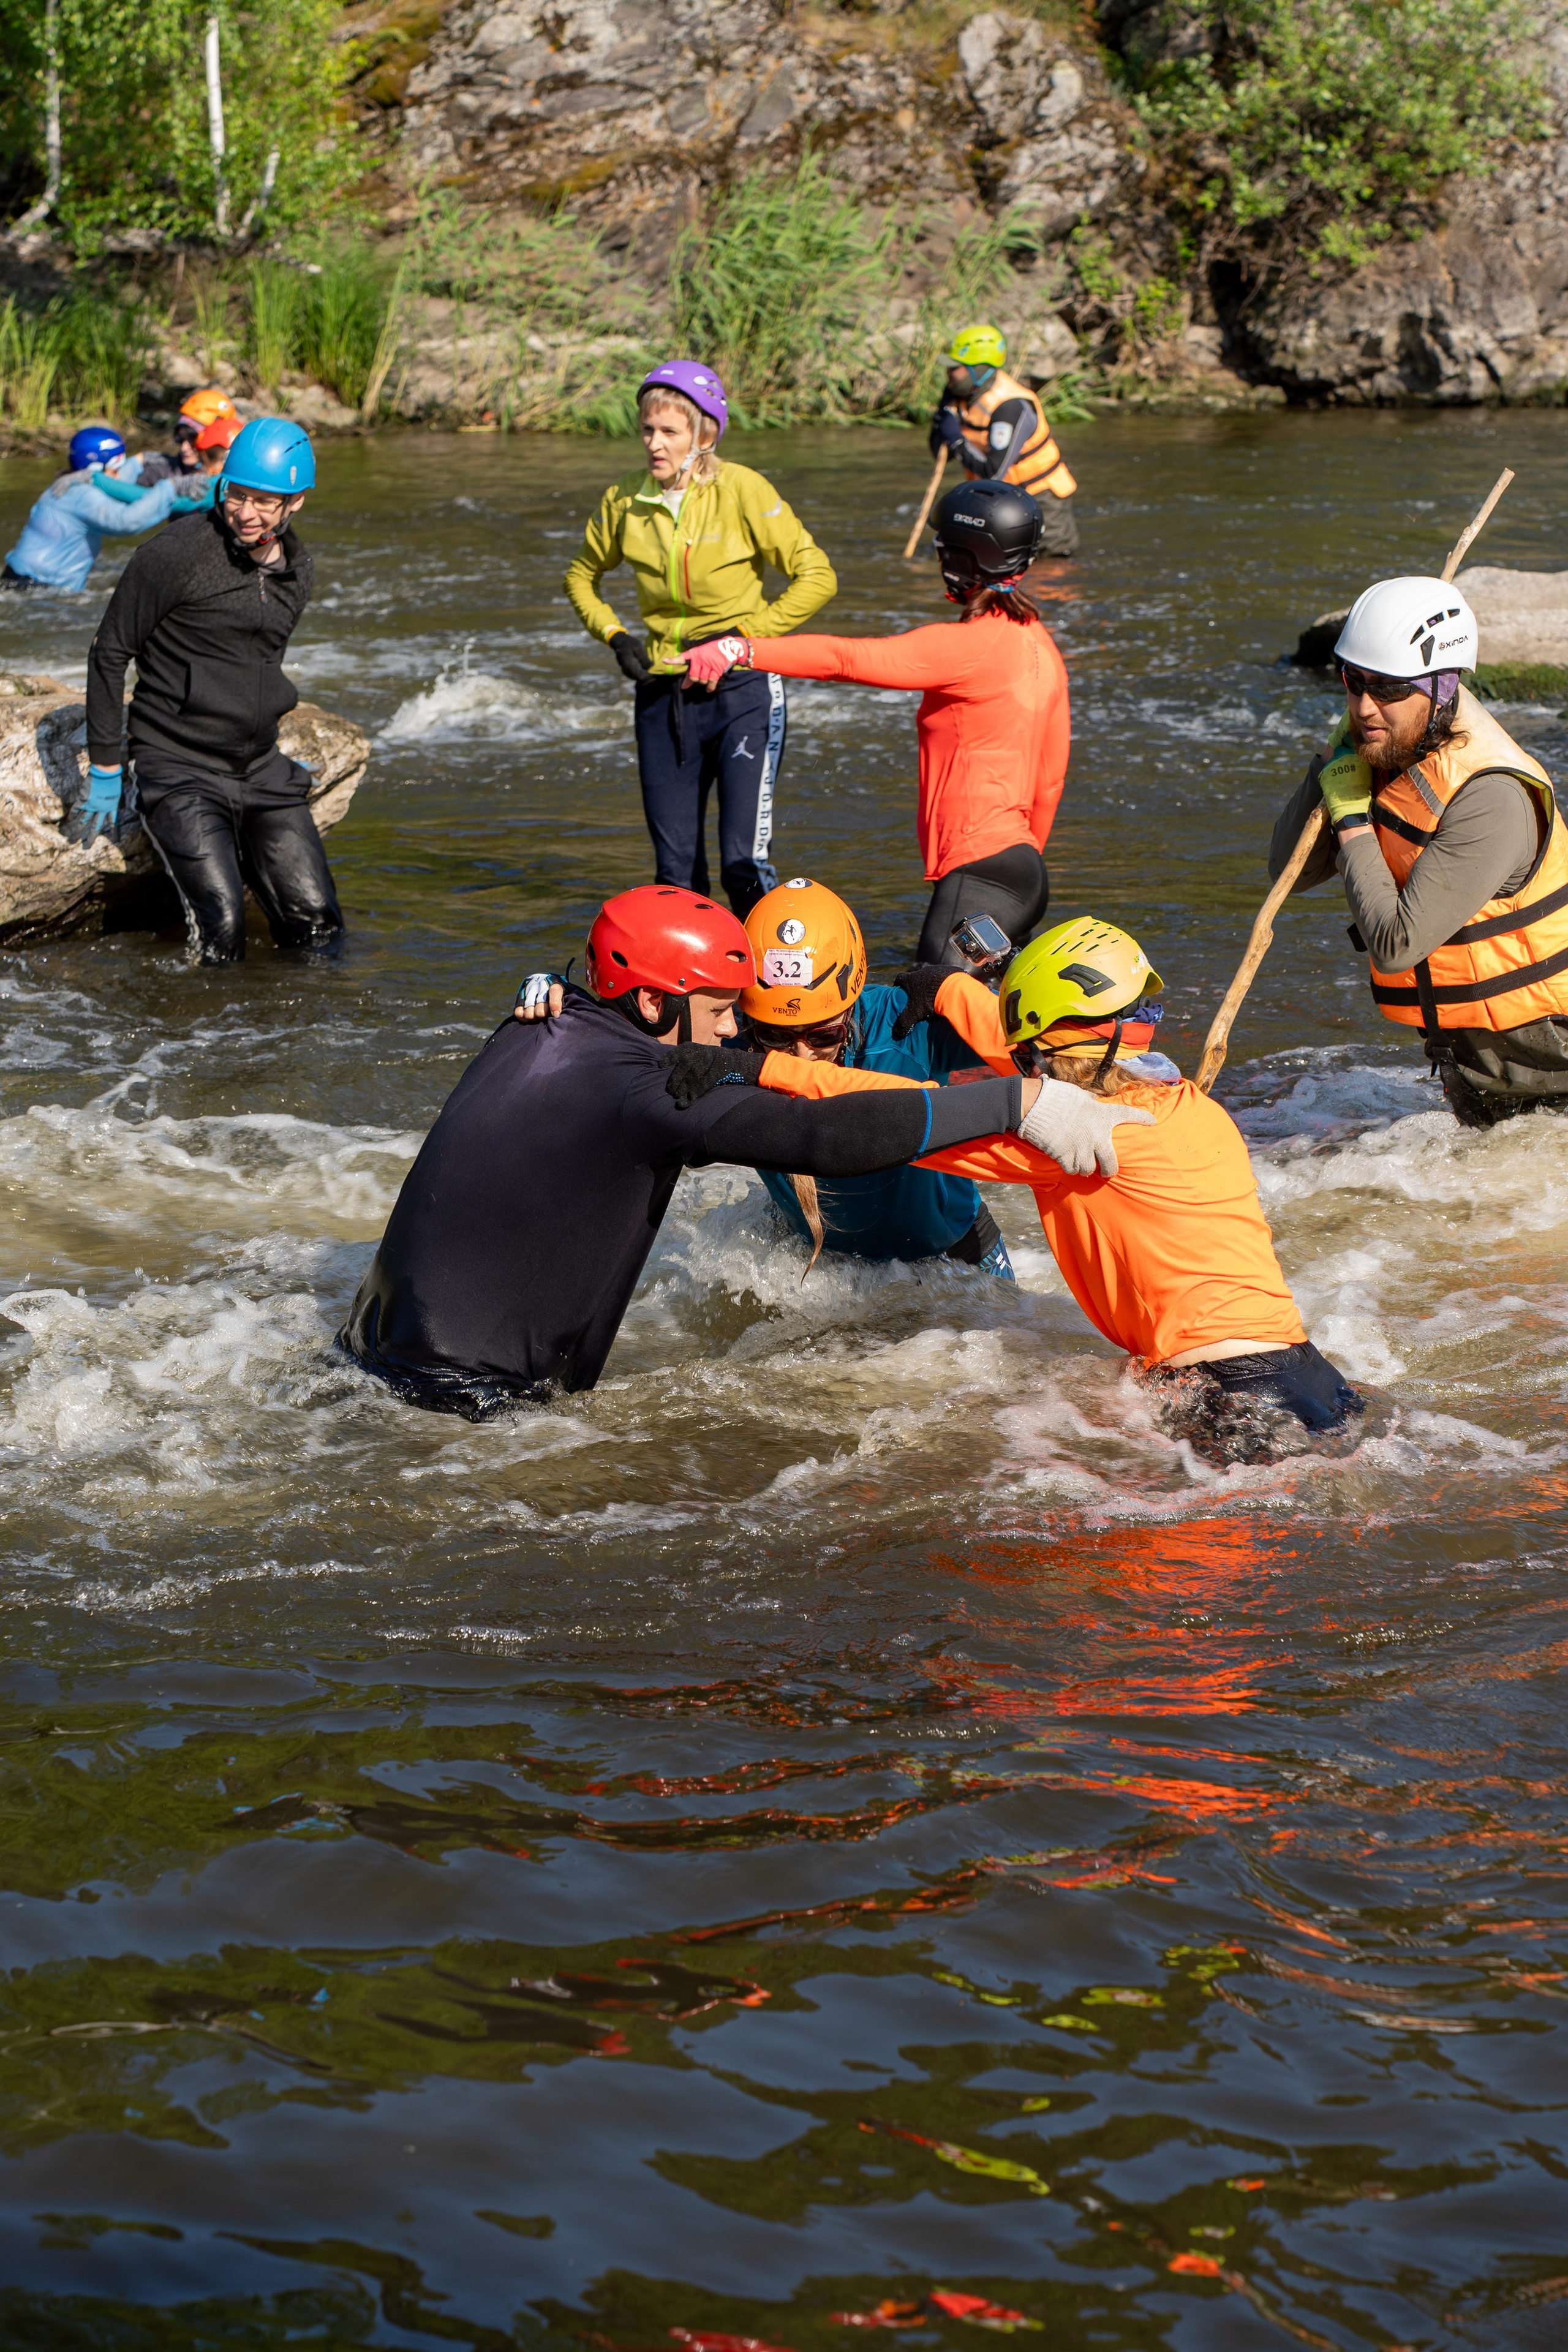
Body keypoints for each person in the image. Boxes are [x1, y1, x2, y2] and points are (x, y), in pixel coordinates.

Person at [339, 888, 1150, 1420]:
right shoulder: (682, 1072)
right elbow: (811, 1129)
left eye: (824, 1033)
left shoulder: (923, 1013)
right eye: (758, 1028)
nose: (796, 1053)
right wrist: (555, 984)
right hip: (809, 1281)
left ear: (857, 993)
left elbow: (1071, 1056)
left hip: (949, 1271)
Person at [687, 917, 1361, 1464]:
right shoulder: (1190, 1108)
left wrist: (759, 1066)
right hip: (1307, 1374)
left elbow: (893, 1109)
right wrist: (951, 990)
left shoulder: (1080, 1146)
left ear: (1045, 1057)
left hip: (1226, 1394)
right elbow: (1033, 1053)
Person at [682, 481, 1068, 965]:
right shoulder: (1041, 646)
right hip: (1023, 871)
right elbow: (1050, 780)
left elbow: (846, 658)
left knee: (928, 1014)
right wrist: (1019, 862)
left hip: (981, 872)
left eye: (944, 549)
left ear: (963, 559)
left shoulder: (968, 647)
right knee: (994, 1030)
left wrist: (740, 648)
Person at [1269, 575, 1568, 1128]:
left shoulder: (1491, 796)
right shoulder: (1389, 742)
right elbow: (1288, 871)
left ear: (1443, 687)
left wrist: (1354, 820)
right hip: (1476, 1053)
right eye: (1352, 681)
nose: (1364, 706)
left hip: (1551, 1055)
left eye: (1386, 688)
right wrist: (1331, 764)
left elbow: (1395, 945)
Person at [563, 361, 837, 918]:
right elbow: (579, 576)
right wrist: (617, 638)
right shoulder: (623, 501)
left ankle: (773, 991)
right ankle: (693, 998)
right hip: (664, 692)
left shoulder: (743, 489)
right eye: (647, 430)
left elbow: (817, 576)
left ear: (705, 434)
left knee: (742, 863)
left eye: (670, 432)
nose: (654, 444)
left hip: (743, 688)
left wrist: (743, 638)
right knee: (675, 874)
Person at [83, 416, 344, 960]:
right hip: (178, 766)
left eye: (265, 502)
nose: (245, 513)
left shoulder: (298, 571)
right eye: (236, 494)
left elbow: (256, 662)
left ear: (295, 502)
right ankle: (206, 1040)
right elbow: (110, 652)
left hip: (261, 770)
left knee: (319, 928)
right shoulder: (173, 556)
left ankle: (298, 1042)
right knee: (224, 933)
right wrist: (107, 764)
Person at [737, 876, 1014, 1275]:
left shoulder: (906, 1026)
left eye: (822, 1036)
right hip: (826, 1271)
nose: (800, 1059)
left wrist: (955, 989)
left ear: (849, 1006)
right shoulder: (730, 1044)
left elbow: (1045, 1046)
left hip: (952, 1258)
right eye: (775, 1036)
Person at [930, 324, 1079, 559]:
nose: (948, 374)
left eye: (954, 368)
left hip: (1039, 499)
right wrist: (942, 420)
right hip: (999, 502)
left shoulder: (1010, 406)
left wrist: (957, 440)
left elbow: (993, 472)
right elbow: (940, 453)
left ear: (977, 370)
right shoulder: (962, 397)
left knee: (1050, 569)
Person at [1, 426, 199, 594]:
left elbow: (113, 482)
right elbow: (127, 521)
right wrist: (170, 488)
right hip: (36, 589)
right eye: (115, 470)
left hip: (22, 580)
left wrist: (139, 461)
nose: (118, 476)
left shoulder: (70, 485)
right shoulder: (82, 495)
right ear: (97, 469)